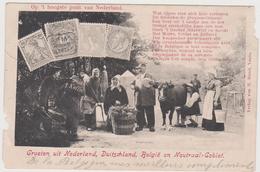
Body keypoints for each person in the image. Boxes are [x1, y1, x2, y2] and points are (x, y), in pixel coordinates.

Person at [131, 63, 157, 132]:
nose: (140, 69)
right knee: (139, 112)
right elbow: (132, 84)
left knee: (150, 112)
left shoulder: (150, 76)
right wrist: (133, 87)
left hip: (148, 97)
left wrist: (152, 83)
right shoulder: (137, 77)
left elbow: (156, 85)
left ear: (145, 68)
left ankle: (151, 126)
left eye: (142, 67)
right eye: (139, 68)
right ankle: (140, 126)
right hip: (139, 97)